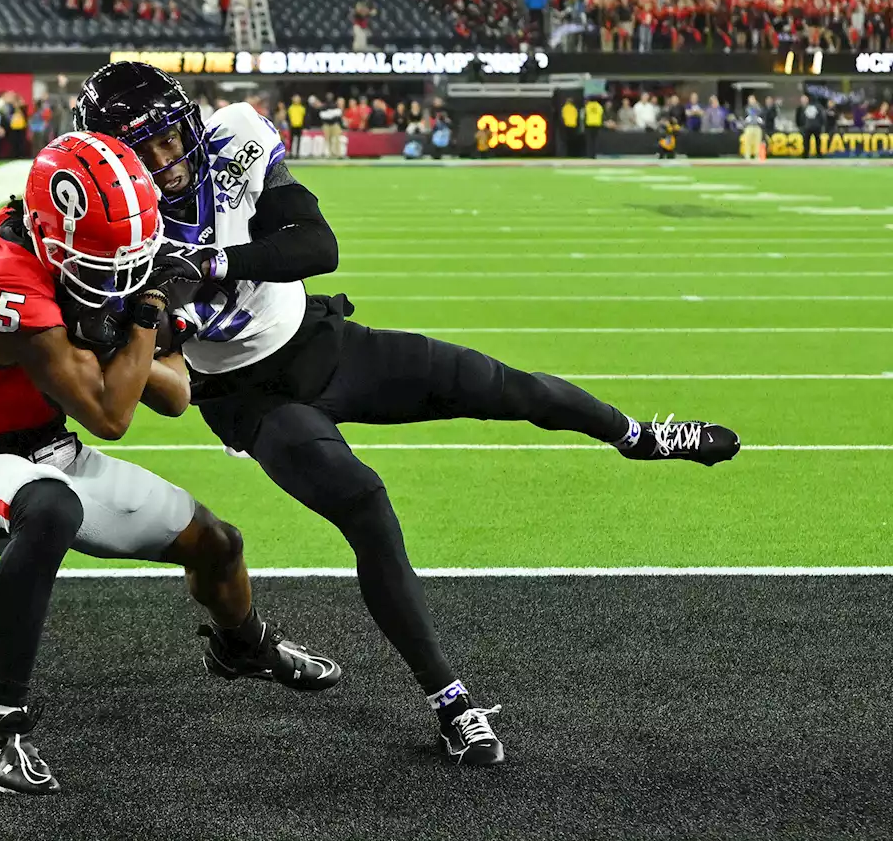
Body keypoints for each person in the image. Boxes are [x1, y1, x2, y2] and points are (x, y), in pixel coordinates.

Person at [75, 62, 742, 766]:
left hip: (321, 341)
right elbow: (154, 361)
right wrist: (150, 319)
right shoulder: (110, 228)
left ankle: (635, 435)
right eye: (136, 150)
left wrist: (210, 265)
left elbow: (315, 244)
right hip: (250, 395)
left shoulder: (233, 137)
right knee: (365, 504)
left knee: (498, 384)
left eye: (165, 138)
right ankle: (450, 699)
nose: (162, 160)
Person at [0, 132, 339, 795]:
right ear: (53, 235)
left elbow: (172, 396)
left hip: (48, 447)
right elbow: (112, 414)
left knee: (219, 544)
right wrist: (147, 313)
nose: (115, 274)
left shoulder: (68, 234)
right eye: (101, 262)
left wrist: (138, 331)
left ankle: (243, 644)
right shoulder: (9, 284)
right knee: (51, 508)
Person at [286, 93, 305, 158]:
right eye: (295, 99)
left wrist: (304, 125)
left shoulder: (302, 108)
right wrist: (289, 123)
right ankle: (291, 153)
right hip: (292, 126)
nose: (296, 100)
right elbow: (288, 117)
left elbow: (304, 117)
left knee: (298, 140)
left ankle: (297, 154)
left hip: (299, 126)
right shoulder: (291, 108)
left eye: (298, 99)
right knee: (292, 140)